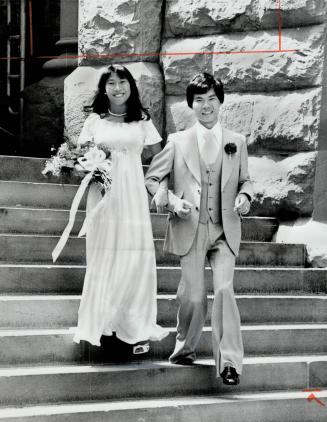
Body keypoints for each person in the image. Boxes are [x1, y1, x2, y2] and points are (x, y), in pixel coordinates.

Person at [145, 72, 253, 385]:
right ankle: (185, 347)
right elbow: (153, 179)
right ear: (191, 105)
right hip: (189, 227)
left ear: (220, 102)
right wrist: (169, 199)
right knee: (193, 296)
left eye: (211, 100)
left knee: (223, 290)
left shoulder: (237, 142)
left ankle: (229, 362)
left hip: (224, 230)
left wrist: (245, 196)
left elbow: (245, 180)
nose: (206, 106)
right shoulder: (177, 142)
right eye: (199, 100)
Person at [74, 64, 168, 353]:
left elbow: (159, 155)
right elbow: (79, 158)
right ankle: (102, 322)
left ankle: (133, 324)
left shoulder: (141, 121)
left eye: (122, 82)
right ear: (104, 89)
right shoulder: (94, 121)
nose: (117, 88)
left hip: (131, 195)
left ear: (131, 86)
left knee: (133, 255)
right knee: (104, 255)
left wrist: (158, 185)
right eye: (111, 83)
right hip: (102, 195)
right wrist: (92, 170)